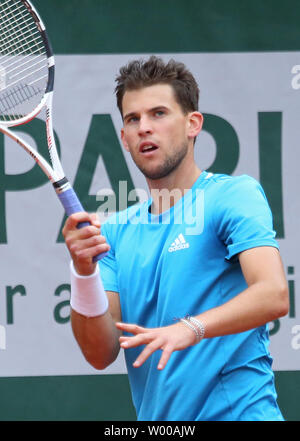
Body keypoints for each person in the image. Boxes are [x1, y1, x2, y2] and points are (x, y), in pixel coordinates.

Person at [62, 56, 289, 421]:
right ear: (123, 137)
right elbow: (99, 353)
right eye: (132, 119)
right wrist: (82, 272)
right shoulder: (115, 231)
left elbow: (274, 294)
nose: (144, 128)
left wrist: (190, 328)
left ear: (192, 124)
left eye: (159, 114)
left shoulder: (231, 195)